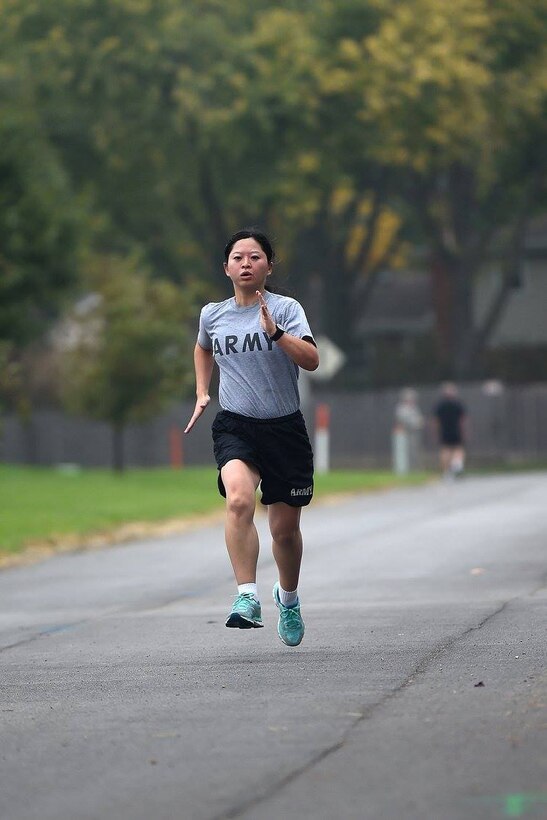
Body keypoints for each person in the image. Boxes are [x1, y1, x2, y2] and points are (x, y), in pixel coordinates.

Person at [184, 228, 319, 647]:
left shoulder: (287, 308)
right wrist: (203, 390)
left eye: (255, 257)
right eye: (238, 257)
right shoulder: (213, 314)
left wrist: (277, 334)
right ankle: (246, 597)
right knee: (239, 499)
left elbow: (312, 360)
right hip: (236, 424)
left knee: (284, 531)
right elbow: (202, 347)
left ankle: (289, 599)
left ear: (268, 266)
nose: (246, 263)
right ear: (226, 268)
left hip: (284, 429)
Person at [432, 382, 468, 478]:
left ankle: (446, 472)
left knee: (445, 450)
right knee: (458, 449)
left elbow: (436, 421)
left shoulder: (440, 405)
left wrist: (436, 432)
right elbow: (462, 420)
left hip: (444, 431)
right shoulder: (458, 404)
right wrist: (464, 431)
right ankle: (457, 464)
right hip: (456, 430)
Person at [393, 388, 424, 471]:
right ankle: (405, 469)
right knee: (405, 452)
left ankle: (415, 468)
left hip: (415, 432)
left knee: (415, 451)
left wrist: (419, 423)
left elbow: (419, 419)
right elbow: (401, 420)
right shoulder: (401, 408)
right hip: (405, 433)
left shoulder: (415, 408)